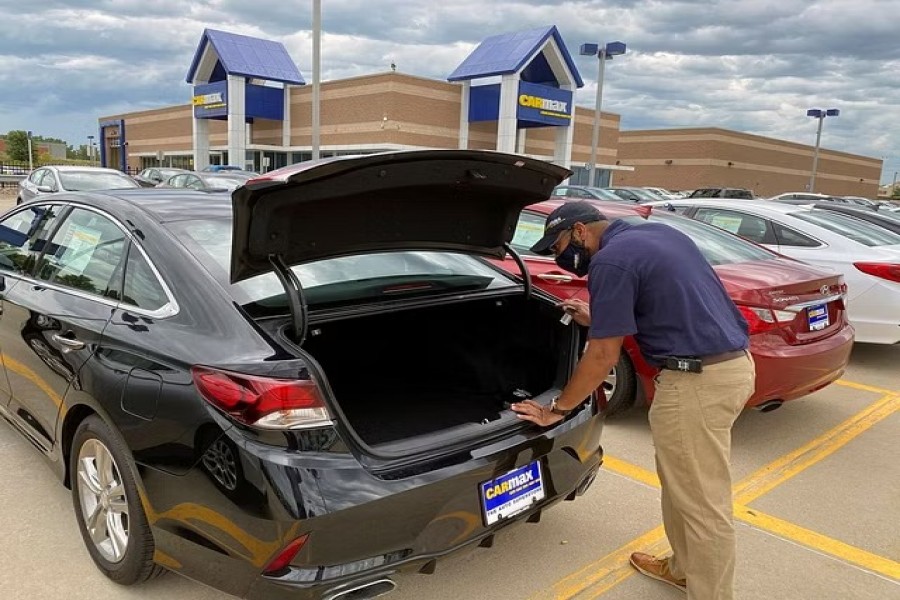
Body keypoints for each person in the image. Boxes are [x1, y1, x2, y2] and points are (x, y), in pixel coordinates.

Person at [511, 201, 754, 600]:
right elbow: (665, 299)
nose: (559, 258)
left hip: (697, 383)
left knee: (702, 503)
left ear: (578, 232)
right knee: (683, 483)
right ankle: (682, 569)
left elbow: (603, 355)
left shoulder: (610, 262)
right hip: (729, 368)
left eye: (556, 248)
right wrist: (601, 315)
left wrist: (557, 410)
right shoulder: (656, 234)